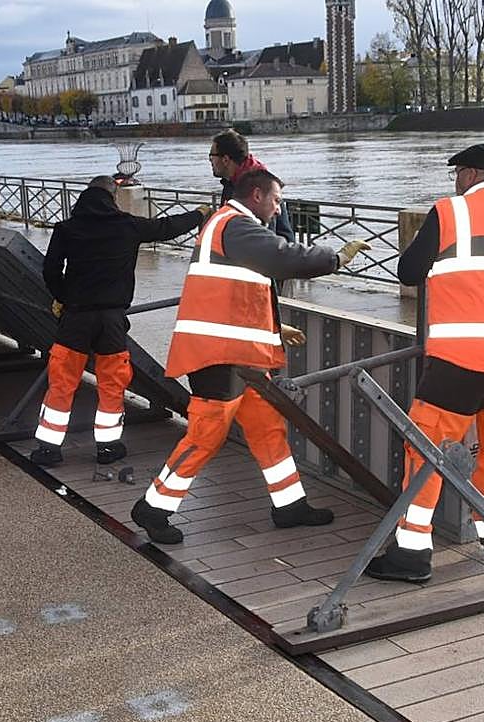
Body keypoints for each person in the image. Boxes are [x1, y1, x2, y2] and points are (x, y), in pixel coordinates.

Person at [130, 169, 371, 544]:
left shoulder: (227, 226)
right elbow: (283, 256)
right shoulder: (237, 225)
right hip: (221, 358)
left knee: (268, 429)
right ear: (256, 195)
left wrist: (275, 330)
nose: (278, 209)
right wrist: (337, 257)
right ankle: (154, 506)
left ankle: (289, 505)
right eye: (276, 200)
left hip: (238, 356)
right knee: (205, 436)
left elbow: (239, 294)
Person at [364, 143, 484, 583]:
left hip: (461, 361)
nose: (455, 182)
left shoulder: (449, 213)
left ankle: (411, 554)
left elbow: (407, 271)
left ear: (467, 174)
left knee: (425, 449)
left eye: (457, 174)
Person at [30, 175, 208, 466]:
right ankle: (108, 448)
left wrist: (62, 297)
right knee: (112, 384)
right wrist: (198, 214)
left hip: (75, 317)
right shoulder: (127, 225)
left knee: (62, 383)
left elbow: (50, 269)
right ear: (113, 198)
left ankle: (49, 450)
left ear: (85, 196)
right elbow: (166, 228)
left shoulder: (67, 228)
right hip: (112, 319)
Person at [208, 130, 295, 243]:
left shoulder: (259, 189)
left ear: (225, 159)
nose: (210, 161)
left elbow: (266, 240)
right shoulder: (233, 182)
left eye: (211, 156)